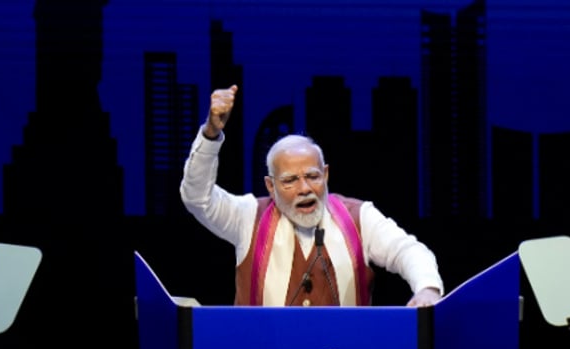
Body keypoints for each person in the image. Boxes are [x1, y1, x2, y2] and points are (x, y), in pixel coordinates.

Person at [179, 84, 444, 307]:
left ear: (326, 175)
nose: (304, 188)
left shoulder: (359, 218)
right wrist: (211, 135)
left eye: (313, 176)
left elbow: (407, 250)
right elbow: (197, 198)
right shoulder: (248, 217)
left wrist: (427, 288)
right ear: (270, 187)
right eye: (290, 180)